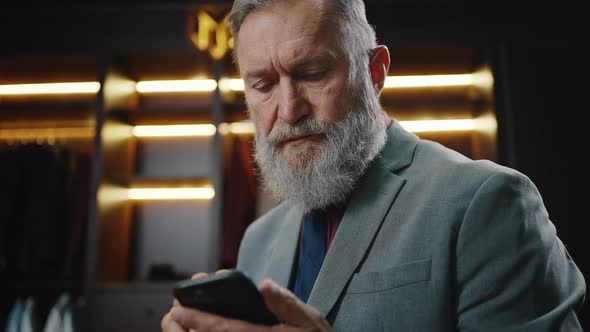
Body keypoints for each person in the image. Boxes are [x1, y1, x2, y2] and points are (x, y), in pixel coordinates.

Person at [162, 0, 586, 331]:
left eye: (311, 73)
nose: (288, 110)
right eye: (263, 85)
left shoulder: (488, 201)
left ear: (375, 72)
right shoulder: (258, 240)